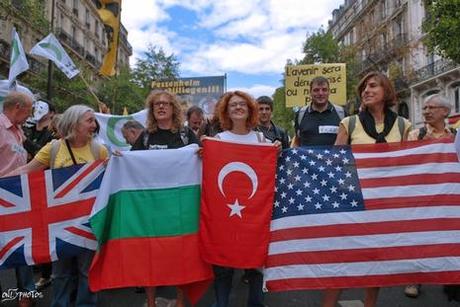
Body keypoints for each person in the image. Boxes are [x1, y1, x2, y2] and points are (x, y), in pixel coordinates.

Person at [9, 105, 108, 307]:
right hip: (59, 223)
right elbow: (27, 170)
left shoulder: (99, 150)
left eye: (93, 120)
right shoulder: (54, 148)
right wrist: (3, 180)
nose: (94, 125)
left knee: (85, 271)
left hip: (87, 221)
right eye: (89, 120)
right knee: (61, 273)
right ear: (74, 123)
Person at [331, 71, 411, 307]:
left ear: (386, 91)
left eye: (373, 86)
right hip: (355, 203)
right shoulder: (349, 123)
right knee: (343, 259)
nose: (366, 90)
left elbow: (409, 164)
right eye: (364, 87)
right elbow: (336, 165)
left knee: (376, 259)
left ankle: (370, 304)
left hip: (386, 205)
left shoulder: (404, 126)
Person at [210, 90, 281, 307]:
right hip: (226, 211)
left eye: (242, 104)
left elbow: (270, 172)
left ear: (250, 110)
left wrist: (275, 151)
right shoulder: (218, 140)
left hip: (254, 212)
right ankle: (222, 304)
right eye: (233, 105)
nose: (238, 107)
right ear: (226, 111)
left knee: (256, 261)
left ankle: (255, 303)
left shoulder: (261, 139)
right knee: (223, 264)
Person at [131, 90, 199, 307]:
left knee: (180, 255)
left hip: (180, 207)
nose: (161, 107)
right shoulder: (146, 136)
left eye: (166, 104)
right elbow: (132, 162)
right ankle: (151, 303)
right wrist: (118, 159)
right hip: (152, 207)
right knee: (150, 256)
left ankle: (179, 302)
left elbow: (203, 157)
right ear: (152, 110)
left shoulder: (186, 135)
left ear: (173, 109)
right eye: (156, 104)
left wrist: (202, 153)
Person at [405, 94, 456, 298]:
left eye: (431, 107)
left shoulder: (456, 134)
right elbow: (406, 161)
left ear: (445, 111)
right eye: (424, 108)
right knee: (419, 237)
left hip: (447, 194)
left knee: (449, 236)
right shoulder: (415, 135)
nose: (426, 111)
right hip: (422, 193)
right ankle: (414, 280)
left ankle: (450, 277)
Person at [0, 91, 35, 307]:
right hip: (2, 195)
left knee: (24, 244)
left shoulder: (19, 131)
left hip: (19, 196)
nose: (30, 116)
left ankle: (27, 293)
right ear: (17, 108)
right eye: (28, 111)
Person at [23, 99, 56, 291]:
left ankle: (47, 273)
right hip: (26, 184)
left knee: (44, 229)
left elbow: (43, 156)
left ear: (51, 113)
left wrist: (24, 142)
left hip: (44, 185)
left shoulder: (52, 133)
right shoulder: (30, 128)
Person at [293, 76, 346, 147]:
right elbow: (297, 142)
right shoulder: (300, 114)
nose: (320, 93)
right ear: (310, 92)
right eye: (316, 90)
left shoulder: (342, 113)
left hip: (335, 158)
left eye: (324, 90)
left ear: (329, 92)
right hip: (308, 158)